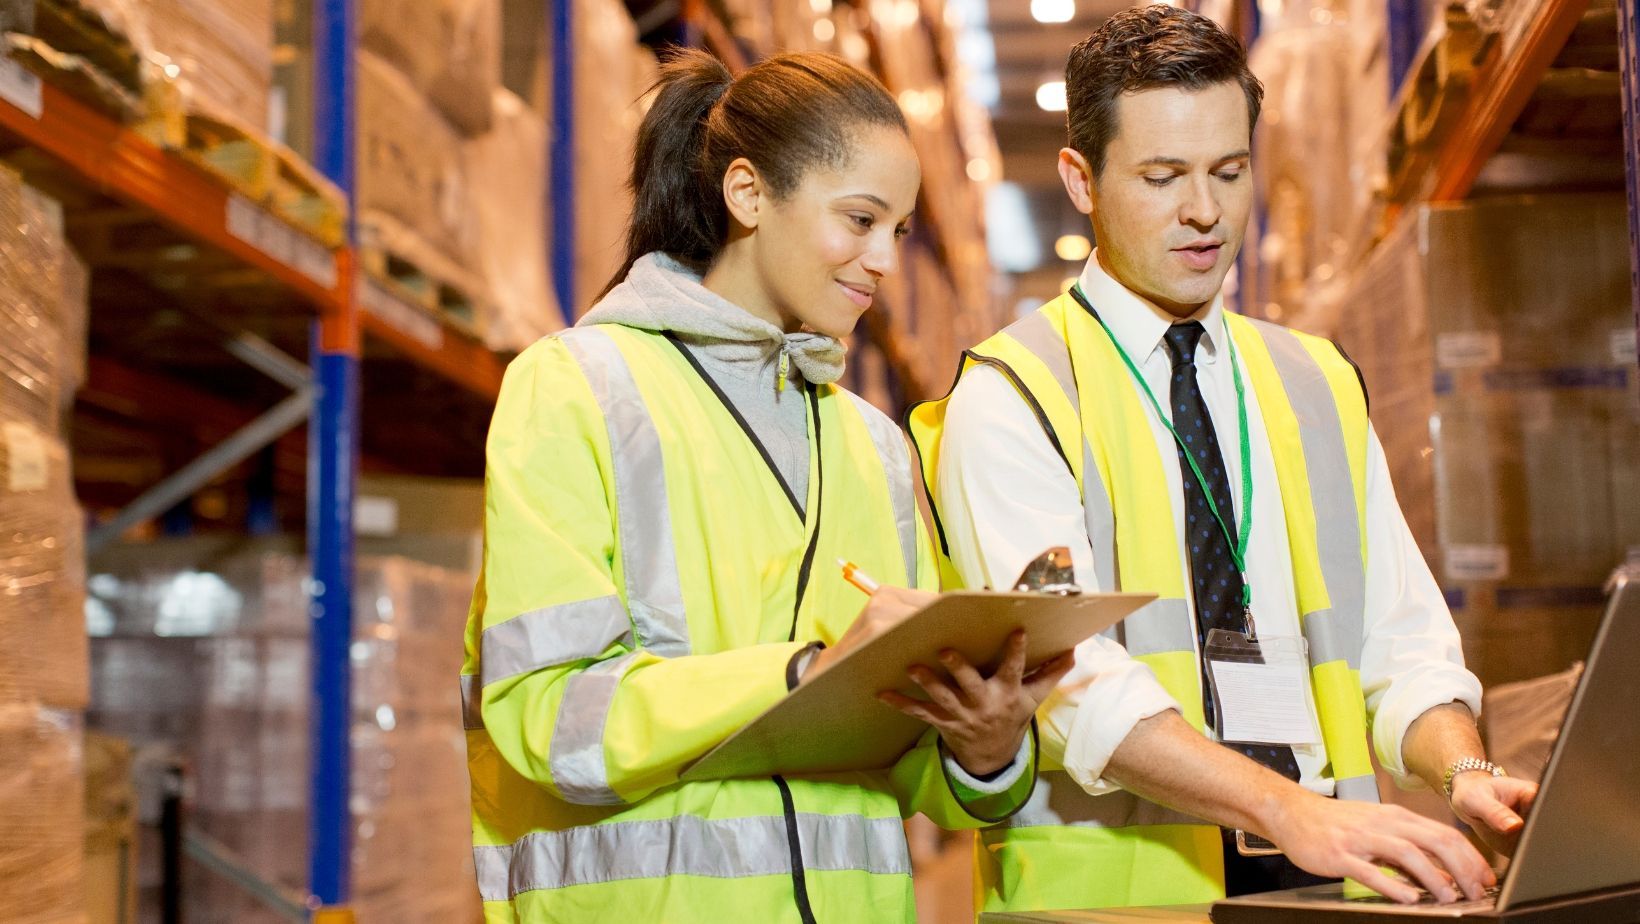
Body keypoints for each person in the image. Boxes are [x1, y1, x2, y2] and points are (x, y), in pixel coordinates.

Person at [908, 5, 1538, 914]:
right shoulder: (1011, 398)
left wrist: (1462, 768)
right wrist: (1289, 810)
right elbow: (1072, 680)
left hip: (1321, 879)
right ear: (1080, 180)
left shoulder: (1314, 381)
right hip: (1121, 900)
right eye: (1163, 177)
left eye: (1230, 172)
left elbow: (1401, 640)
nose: (1204, 211)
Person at [461, 49, 1071, 923]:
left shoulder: (875, 447)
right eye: (859, 219)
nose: (883, 261)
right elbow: (544, 713)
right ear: (747, 195)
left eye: (897, 231)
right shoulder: (577, 387)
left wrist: (983, 746)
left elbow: (908, 763)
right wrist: (799, 675)